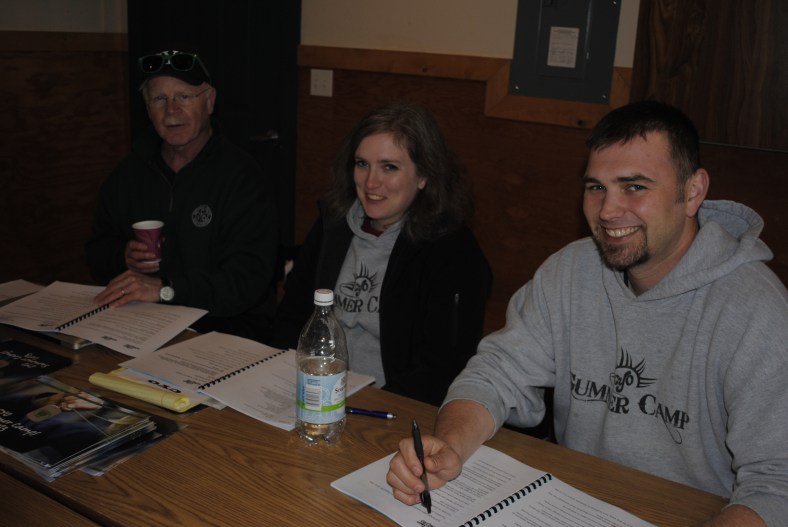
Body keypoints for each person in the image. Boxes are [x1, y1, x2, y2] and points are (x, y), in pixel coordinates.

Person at [386, 101, 788, 526]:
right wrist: (449, 445)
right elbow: (496, 373)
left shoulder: (756, 308)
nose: (609, 211)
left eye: (634, 186)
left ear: (692, 191)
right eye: (596, 187)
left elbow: (775, 485)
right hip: (571, 503)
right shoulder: (570, 270)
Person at [270, 102, 491, 405]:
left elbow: (442, 368)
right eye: (362, 164)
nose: (371, 182)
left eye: (389, 167)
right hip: (310, 390)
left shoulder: (453, 251)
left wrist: (369, 405)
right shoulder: (332, 225)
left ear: (424, 175)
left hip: (389, 406)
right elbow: (291, 317)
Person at [85, 49, 278, 342]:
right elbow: (96, 250)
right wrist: (121, 256)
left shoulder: (242, 177)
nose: (171, 110)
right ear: (147, 108)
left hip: (224, 332)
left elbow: (244, 283)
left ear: (210, 101)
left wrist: (165, 289)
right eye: (159, 99)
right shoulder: (128, 173)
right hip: (141, 325)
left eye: (184, 97)